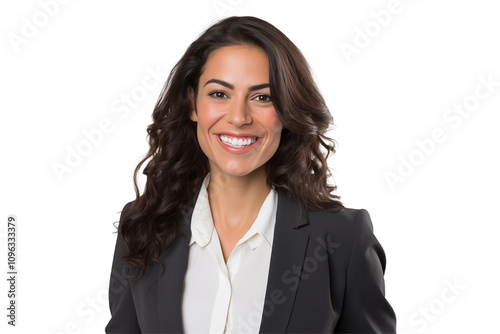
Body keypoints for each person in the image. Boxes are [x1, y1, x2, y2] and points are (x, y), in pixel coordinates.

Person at [105, 16, 396, 334]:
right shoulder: (144, 225)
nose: (239, 117)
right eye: (219, 94)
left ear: (287, 111)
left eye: (262, 97)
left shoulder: (343, 239)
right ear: (192, 103)